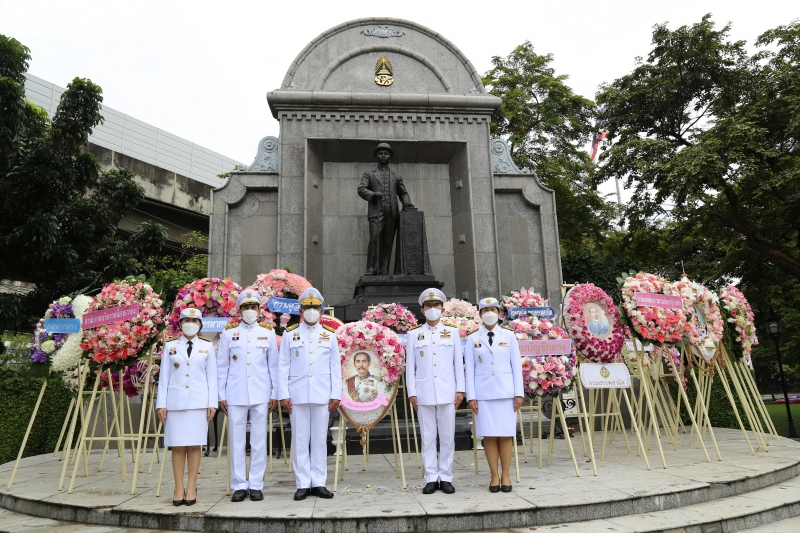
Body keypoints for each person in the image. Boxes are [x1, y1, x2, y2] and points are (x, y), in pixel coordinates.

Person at [279, 288, 341, 500]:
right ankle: (303, 483)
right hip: (297, 394)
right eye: (307, 307)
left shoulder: (329, 335)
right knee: (300, 439)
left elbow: (335, 367)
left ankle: (319, 482)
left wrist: (336, 393)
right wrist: (283, 394)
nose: (311, 311)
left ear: (321, 310)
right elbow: (283, 366)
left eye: (315, 307)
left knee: (320, 439)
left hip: (322, 393)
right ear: (301, 310)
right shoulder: (290, 334)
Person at [217, 289, 278, 502]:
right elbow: (222, 367)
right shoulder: (228, 333)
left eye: (253, 307)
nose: (250, 310)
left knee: (259, 440)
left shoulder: (268, 333)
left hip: (261, 393)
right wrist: (221, 395)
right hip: (235, 393)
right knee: (236, 441)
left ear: (259, 310)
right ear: (240, 310)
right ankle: (239, 485)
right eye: (246, 307)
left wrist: (274, 393)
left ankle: (256, 484)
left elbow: (274, 366)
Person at [405, 288, 465, 494]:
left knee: (447, 437)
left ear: (443, 309)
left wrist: (460, 389)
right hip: (423, 392)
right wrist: (411, 392)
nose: (432, 309)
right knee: (428, 436)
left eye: (436, 305)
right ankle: (431, 477)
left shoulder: (453, 332)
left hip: (448, 391)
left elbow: (458, 363)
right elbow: (410, 366)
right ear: (422, 310)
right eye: (428, 306)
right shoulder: (414, 334)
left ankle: (446, 476)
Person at [156, 308, 217, 506]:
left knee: (194, 444)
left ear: (200, 324)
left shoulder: (207, 346)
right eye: (186, 320)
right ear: (180, 323)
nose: (190, 323)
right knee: (178, 445)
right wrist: (161, 404)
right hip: (175, 403)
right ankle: (178, 487)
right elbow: (164, 377)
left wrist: (212, 403)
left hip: (199, 403)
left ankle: (191, 486)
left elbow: (212, 377)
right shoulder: (171, 346)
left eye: (194, 320)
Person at [464, 298, 524, 493]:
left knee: (506, 435)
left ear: (498, 313)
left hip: (507, 393)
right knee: (489, 435)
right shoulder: (473, 338)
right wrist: (471, 396)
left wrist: (519, 393)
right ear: (480, 314)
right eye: (485, 310)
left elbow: (516, 366)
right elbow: (469, 369)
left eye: (493, 309)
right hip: (483, 394)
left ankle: (506, 474)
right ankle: (494, 475)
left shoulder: (509, 336)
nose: (489, 313)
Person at [357, 142, 415, 275]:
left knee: (388, 243)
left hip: (392, 213)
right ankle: (371, 268)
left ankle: (384, 270)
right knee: (374, 240)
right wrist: (372, 194)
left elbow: (403, 193)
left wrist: (406, 201)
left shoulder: (396, 176)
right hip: (376, 212)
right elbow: (361, 189)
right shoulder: (369, 174)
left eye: (386, 154)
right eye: (380, 153)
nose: (383, 156)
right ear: (376, 156)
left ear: (390, 157)